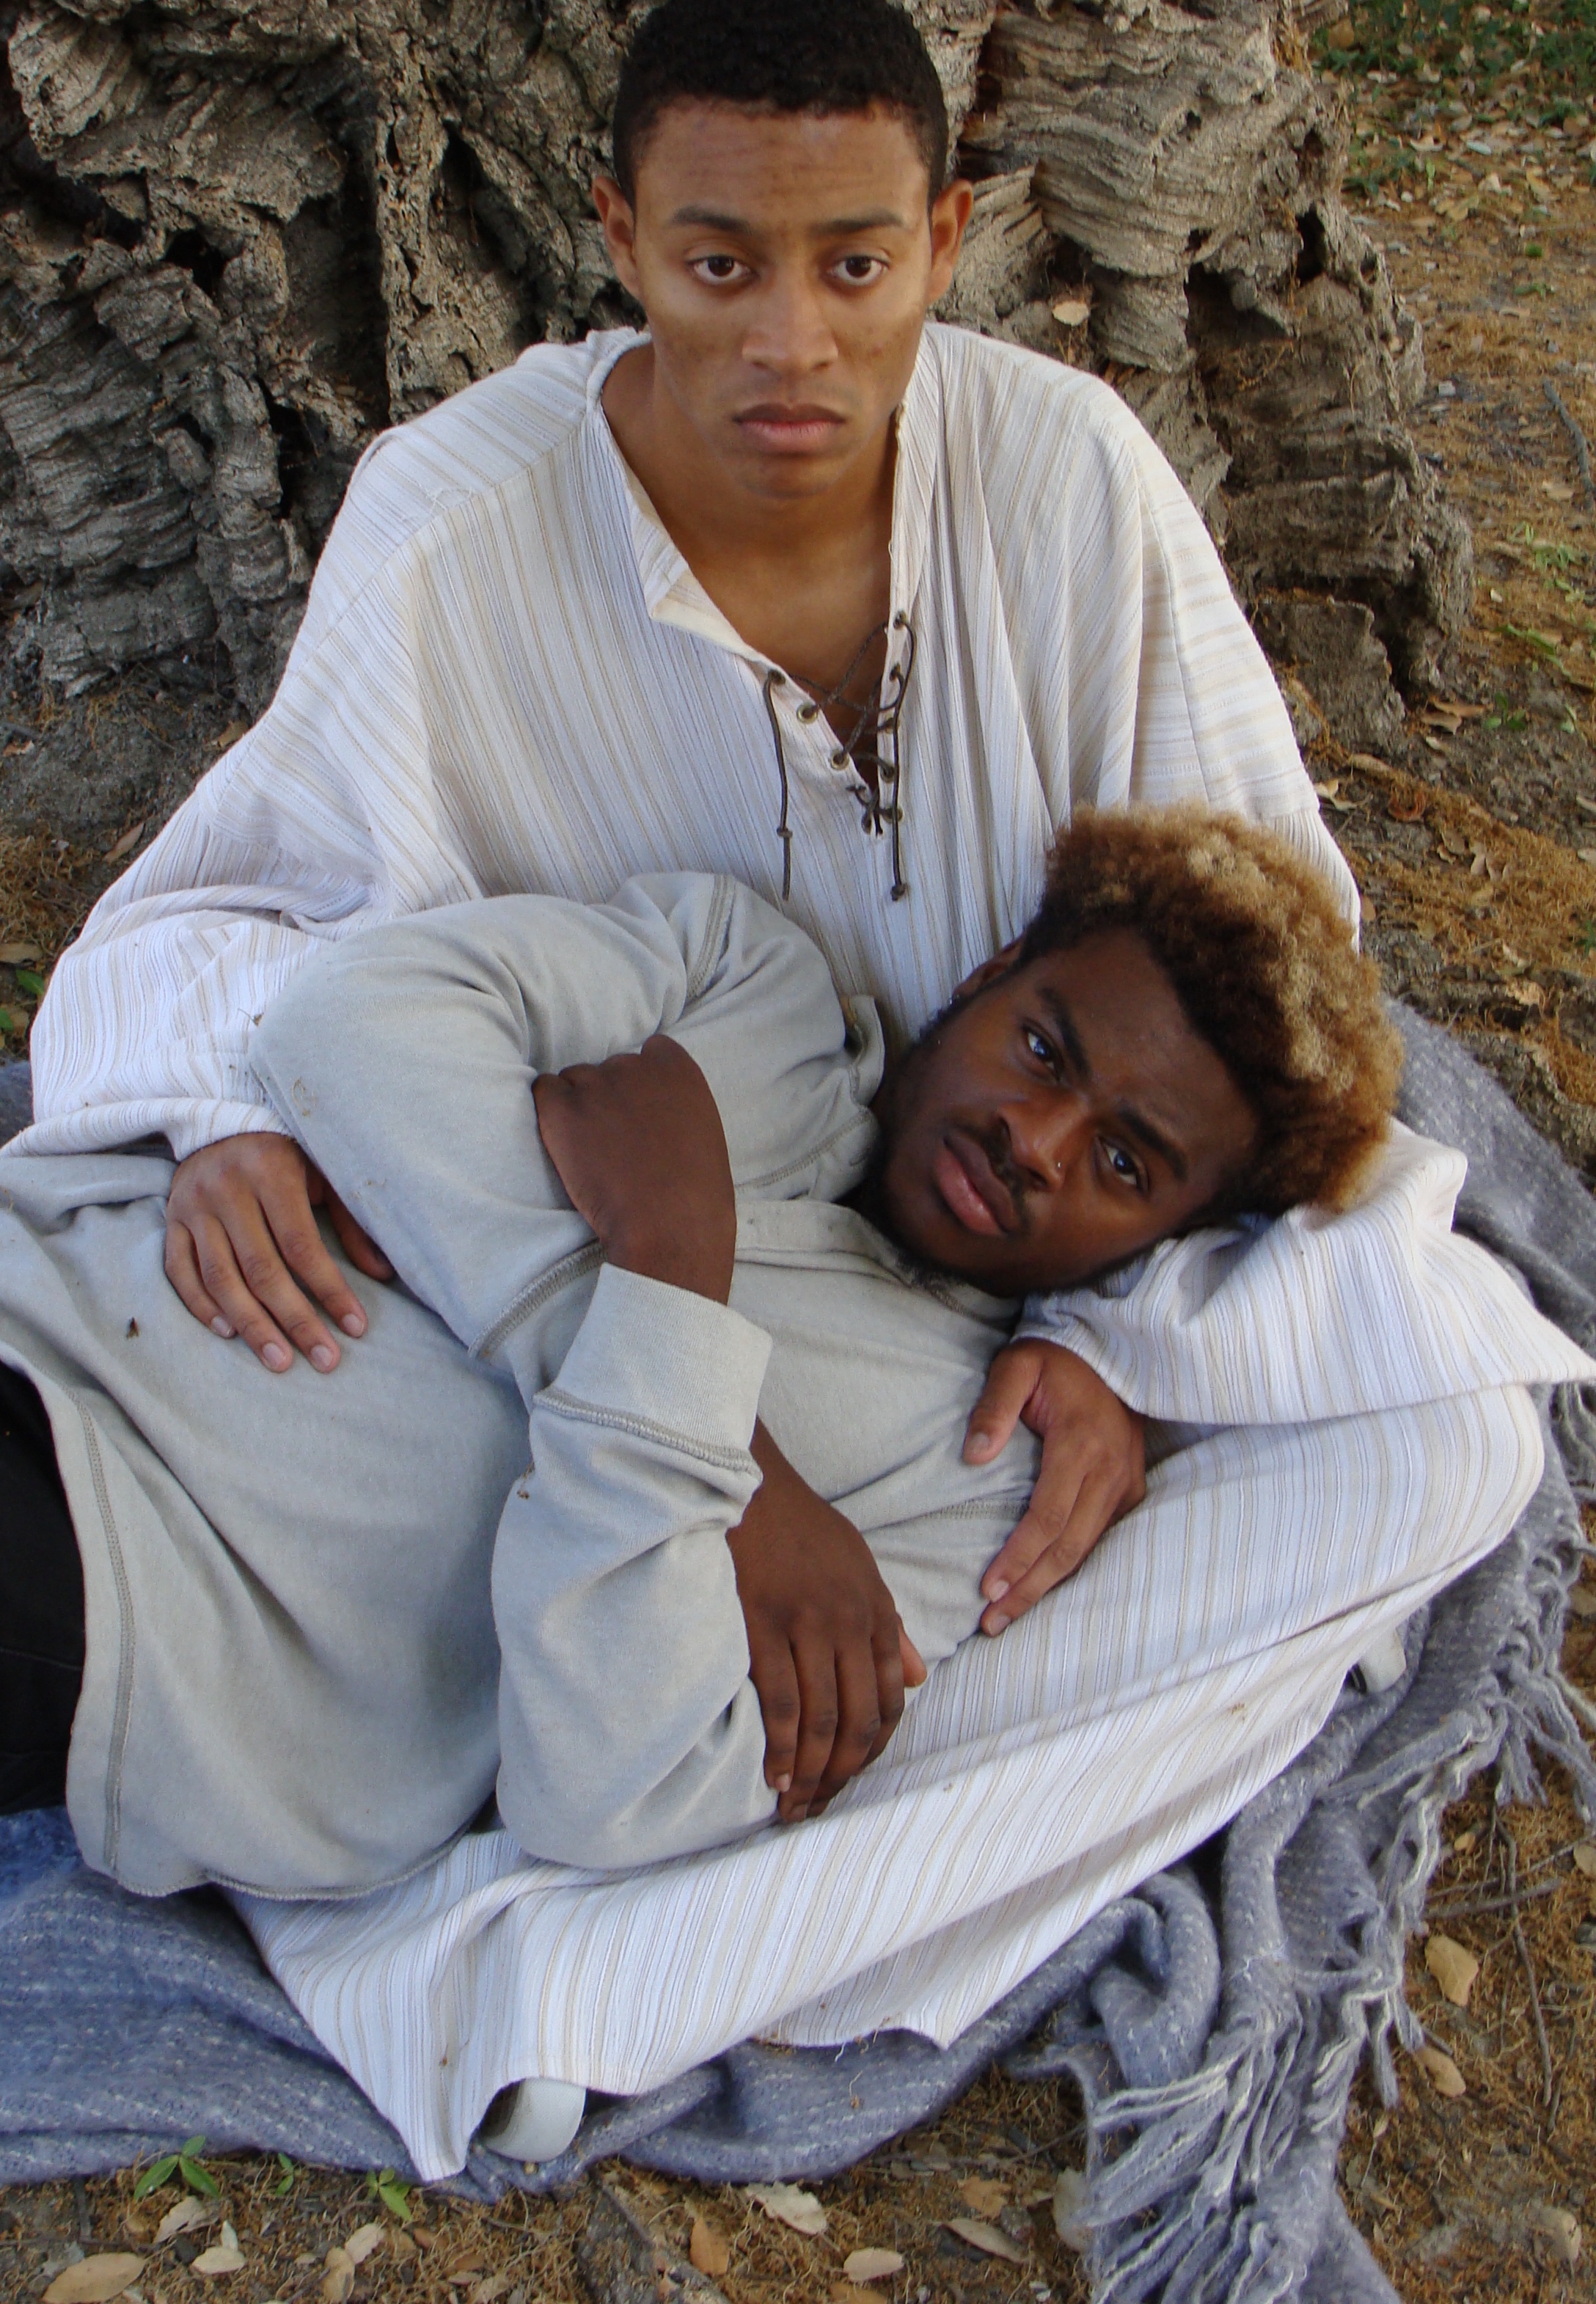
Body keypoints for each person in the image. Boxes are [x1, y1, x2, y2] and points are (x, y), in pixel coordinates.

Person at [13, 0, 1365, 1779]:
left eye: (855, 267)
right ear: (620, 237)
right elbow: (244, 909)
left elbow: (1276, 980)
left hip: (872, 1327)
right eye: (719, 264)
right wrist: (218, 1106)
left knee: (1436, 1441)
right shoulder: (454, 525)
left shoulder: (1066, 484)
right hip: (510, 1202)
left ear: (946, 238)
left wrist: (1128, 1348)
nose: (789, 343)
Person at [1, 809, 1584, 1895]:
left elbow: (620, 1789)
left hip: (143, 1587)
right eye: (1042, 1049)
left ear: (1164, 1245)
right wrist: (707, 1435)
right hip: (56, 1275)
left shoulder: (973, 1477)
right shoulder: (745, 982)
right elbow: (349, 1022)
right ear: (977, 983)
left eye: (1124, 1164)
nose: (1033, 1141)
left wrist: (677, 1289)